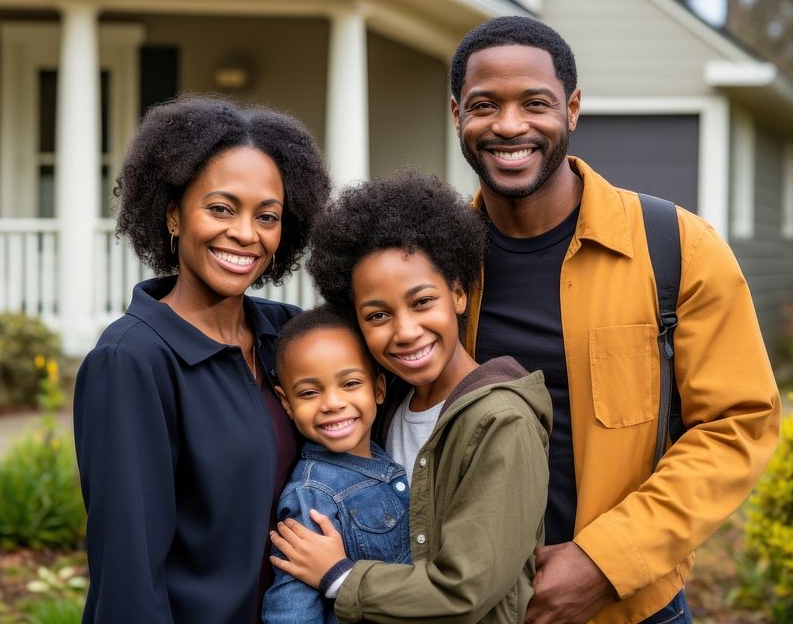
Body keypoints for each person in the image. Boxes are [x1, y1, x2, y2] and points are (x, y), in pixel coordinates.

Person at [448, 16, 783, 624]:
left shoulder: (676, 246)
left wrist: (605, 562)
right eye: (484, 105)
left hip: (630, 607)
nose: (509, 125)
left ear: (572, 109)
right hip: (472, 604)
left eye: (536, 103)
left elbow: (737, 425)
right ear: (456, 116)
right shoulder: (433, 261)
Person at [73, 95, 330, 624]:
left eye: (268, 216)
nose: (245, 233)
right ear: (173, 214)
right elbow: (128, 574)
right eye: (221, 208)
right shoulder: (131, 360)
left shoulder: (288, 334)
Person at [270, 172, 552, 624]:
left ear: (458, 294)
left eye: (421, 302)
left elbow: (464, 590)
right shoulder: (385, 408)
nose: (404, 331)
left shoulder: (501, 422)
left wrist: (340, 577)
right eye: (378, 314)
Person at [262, 305, 411, 624]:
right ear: (286, 403)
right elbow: (291, 610)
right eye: (309, 392)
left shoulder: (384, 457)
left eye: (350, 384)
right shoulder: (311, 497)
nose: (332, 403)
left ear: (379, 389)